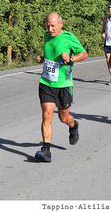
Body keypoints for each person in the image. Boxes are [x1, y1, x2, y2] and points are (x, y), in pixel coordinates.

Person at [35, 13, 88, 162]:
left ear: (60, 24)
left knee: (63, 117)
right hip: (46, 82)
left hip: (63, 85)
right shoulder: (47, 36)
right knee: (47, 114)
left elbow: (84, 54)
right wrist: (42, 59)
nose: (50, 29)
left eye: (53, 26)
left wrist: (71, 58)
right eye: (48, 26)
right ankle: (46, 151)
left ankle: (73, 125)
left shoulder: (68, 37)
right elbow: (50, 56)